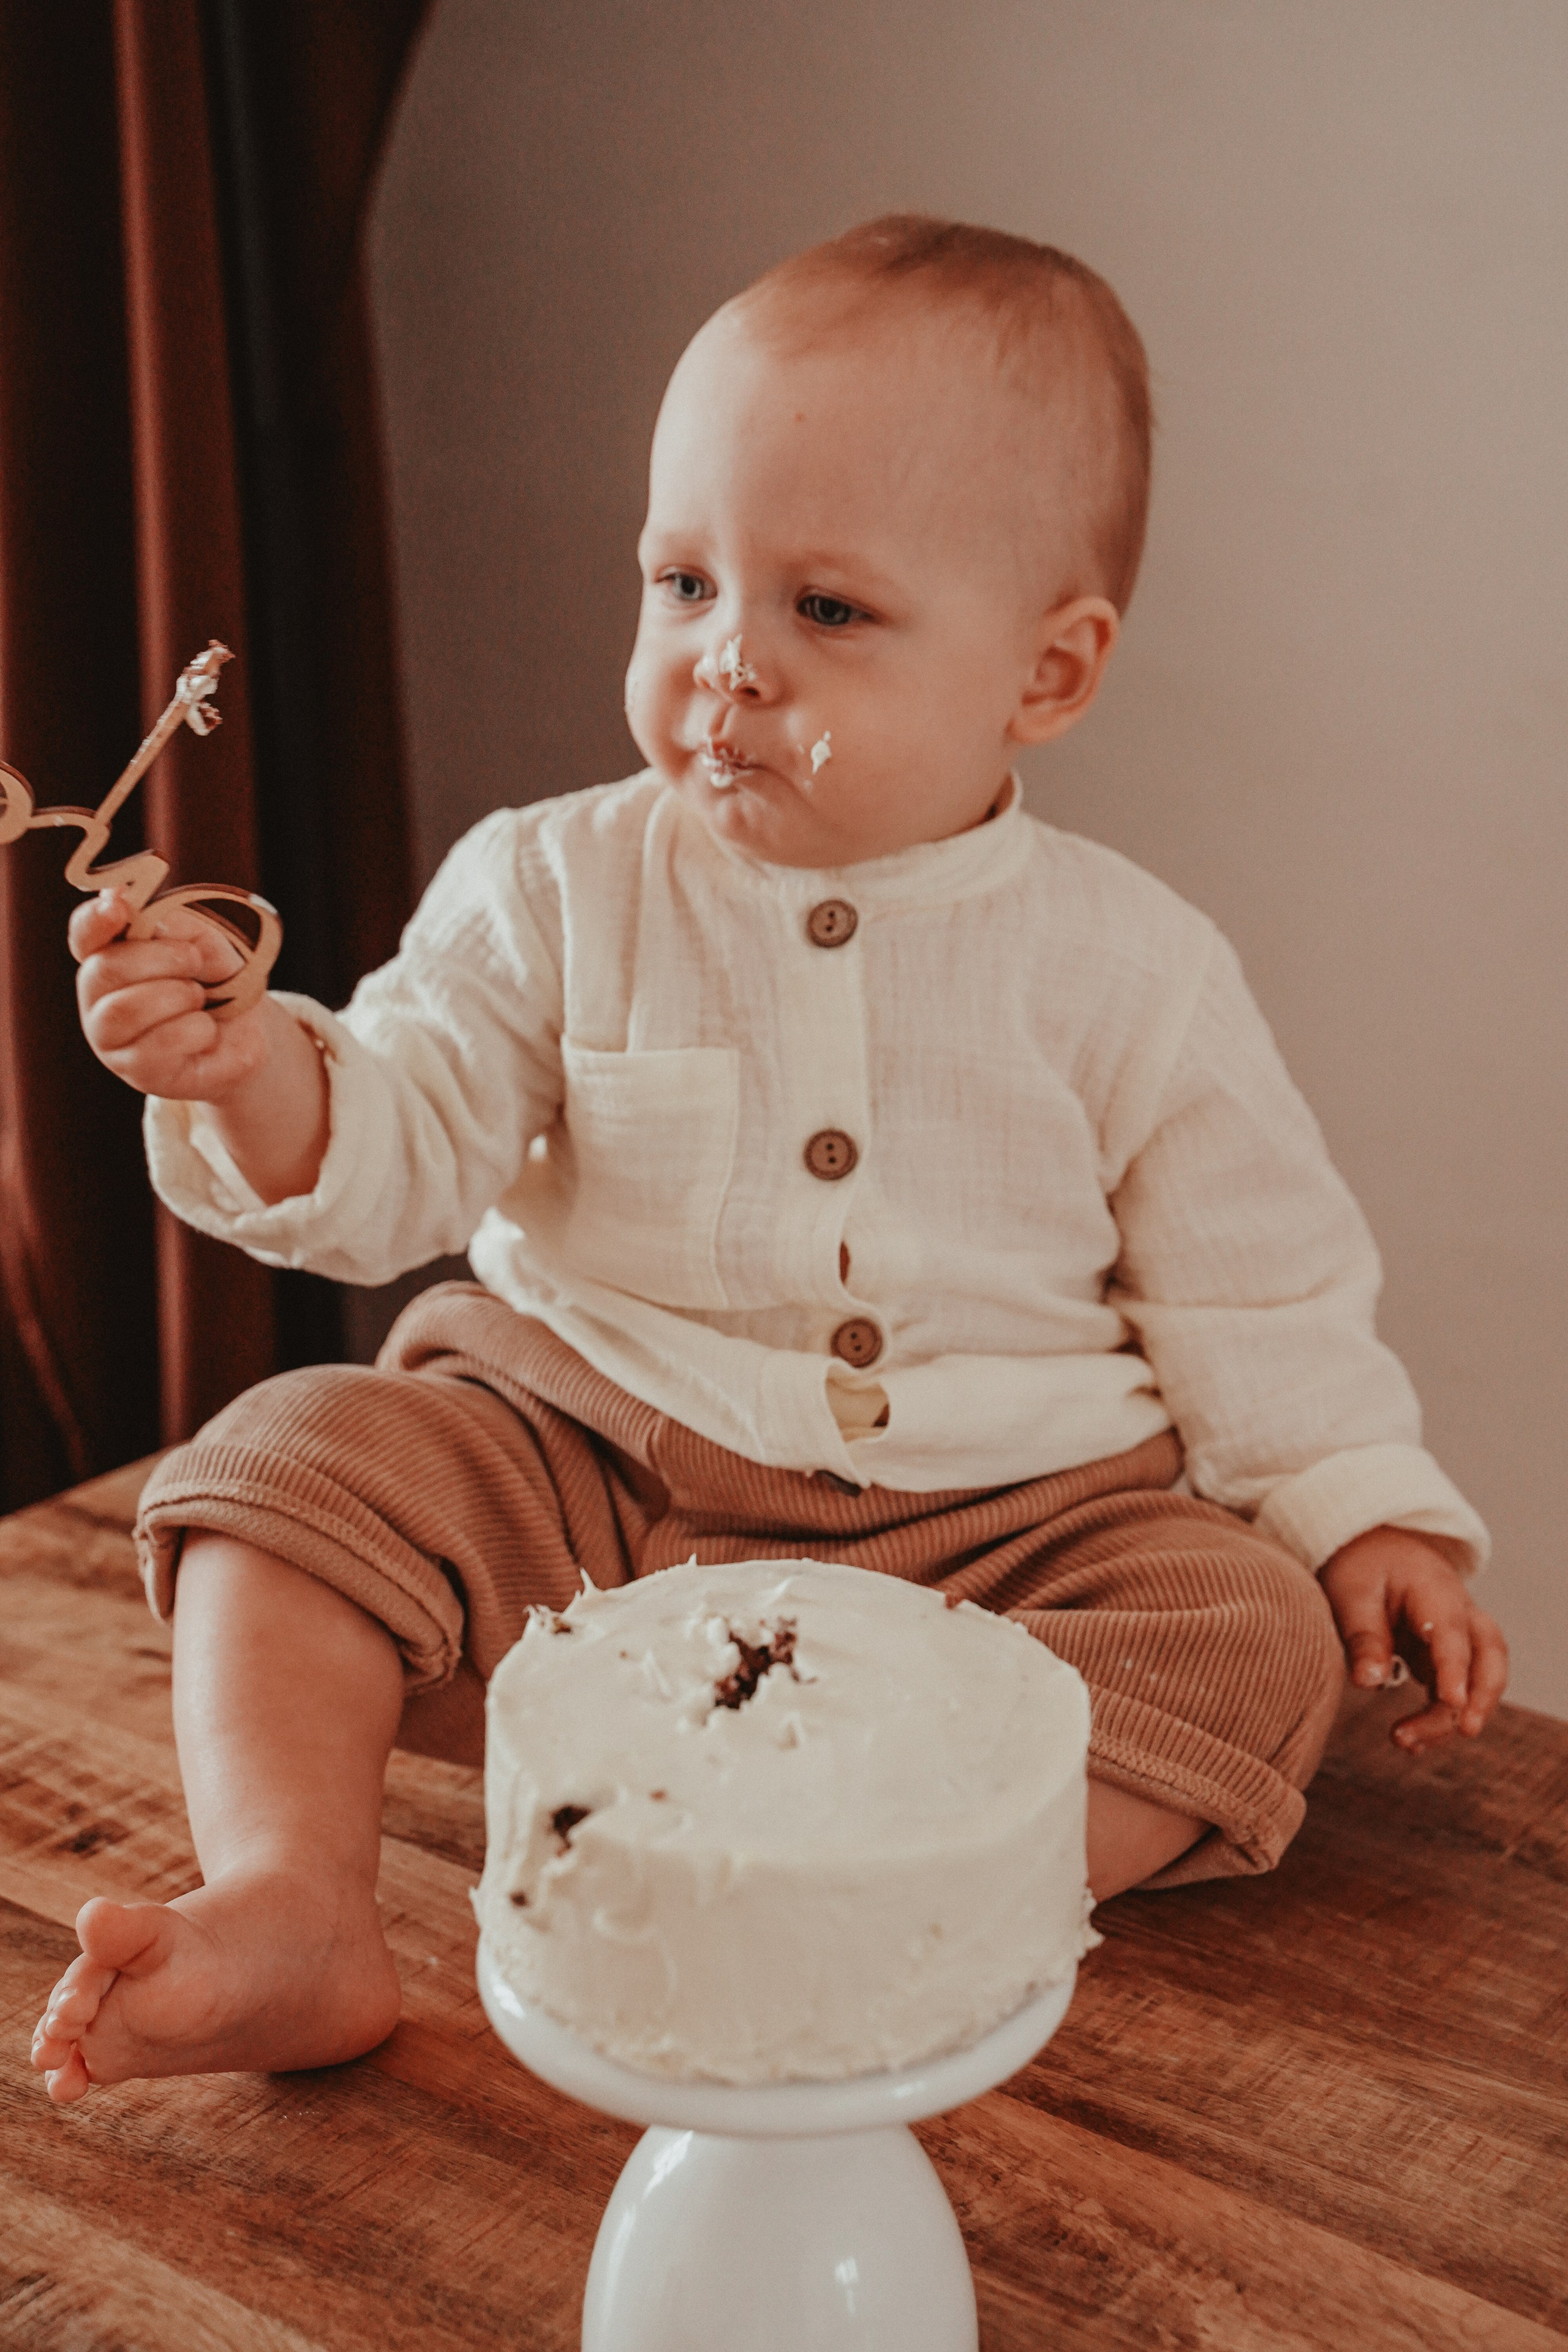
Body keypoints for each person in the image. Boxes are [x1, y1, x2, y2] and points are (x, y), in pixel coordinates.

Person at [32, 216, 1507, 2105]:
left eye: (826, 611)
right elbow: (400, 1146)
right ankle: (294, 1904)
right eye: (681, 582)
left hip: (1002, 1538)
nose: (724, 663)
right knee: (281, 1464)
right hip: (592, 1486)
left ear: (1047, 673)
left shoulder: (1134, 967)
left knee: (1251, 1638)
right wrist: (252, 1072)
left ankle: (878, 1907)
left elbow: (1260, 1289)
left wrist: (1366, 1515)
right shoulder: (553, 884)